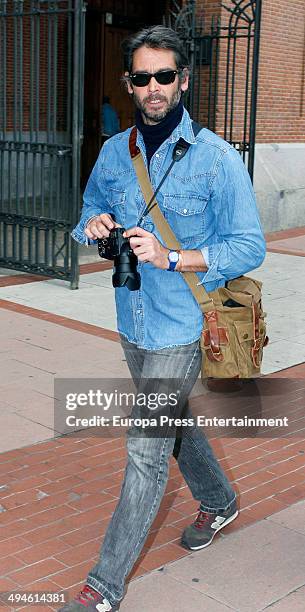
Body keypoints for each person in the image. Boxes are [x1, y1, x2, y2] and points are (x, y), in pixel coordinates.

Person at [60, 25, 266, 612]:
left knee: (146, 447)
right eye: (142, 77)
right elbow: (90, 207)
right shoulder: (112, 151)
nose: (153, 87)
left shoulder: (216, 158)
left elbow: (247, 246)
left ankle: (102, 588)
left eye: (165, 76)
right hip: (132, 316)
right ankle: (220, 499)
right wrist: (93, 225)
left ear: (183, 80)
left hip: (181, 322)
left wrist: (173, 256)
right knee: (169, 421)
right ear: (129, 82)